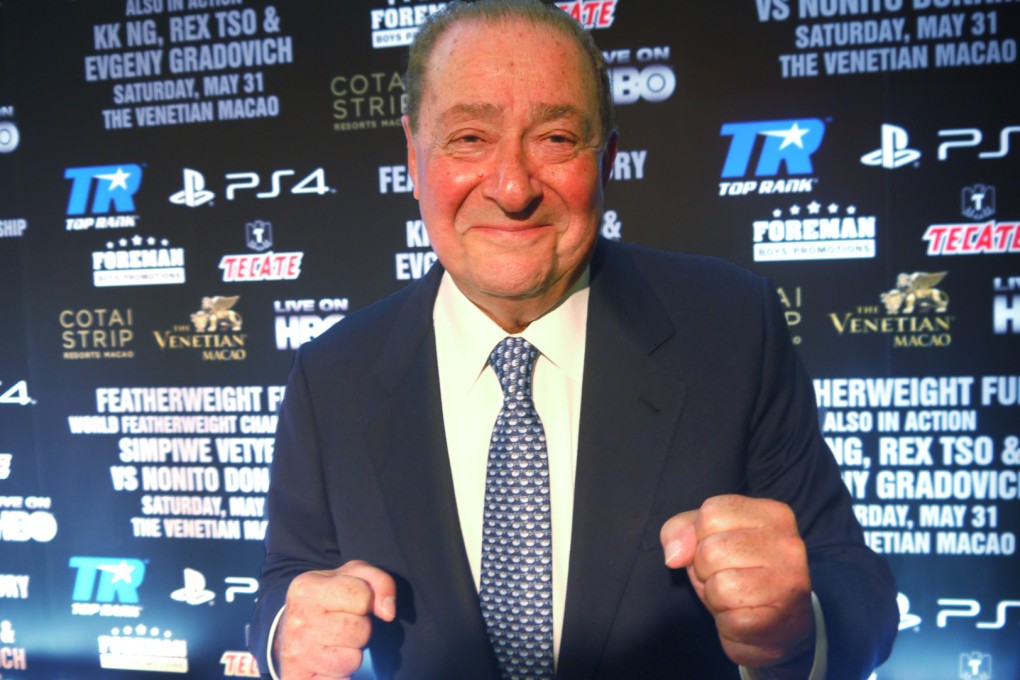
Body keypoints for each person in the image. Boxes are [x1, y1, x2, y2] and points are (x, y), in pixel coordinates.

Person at [249, 1, 898, 678]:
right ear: (414, 156)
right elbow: (285, 581)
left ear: (607, 159)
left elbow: (859, 588)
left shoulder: (735, 329)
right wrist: (281, 638)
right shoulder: (330, 377)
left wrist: (799, 625)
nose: (511, 187)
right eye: (469, 137)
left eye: (556, 138)